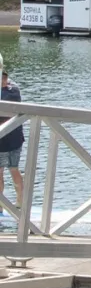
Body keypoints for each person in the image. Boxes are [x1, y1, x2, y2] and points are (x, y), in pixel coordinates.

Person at [1, 66, 24, 212]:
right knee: (10, 170)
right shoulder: (13, 88)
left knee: (10, 169)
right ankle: (14, 202)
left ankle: (19, 201)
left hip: (9, 138)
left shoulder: (11, 92)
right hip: (13, 137)